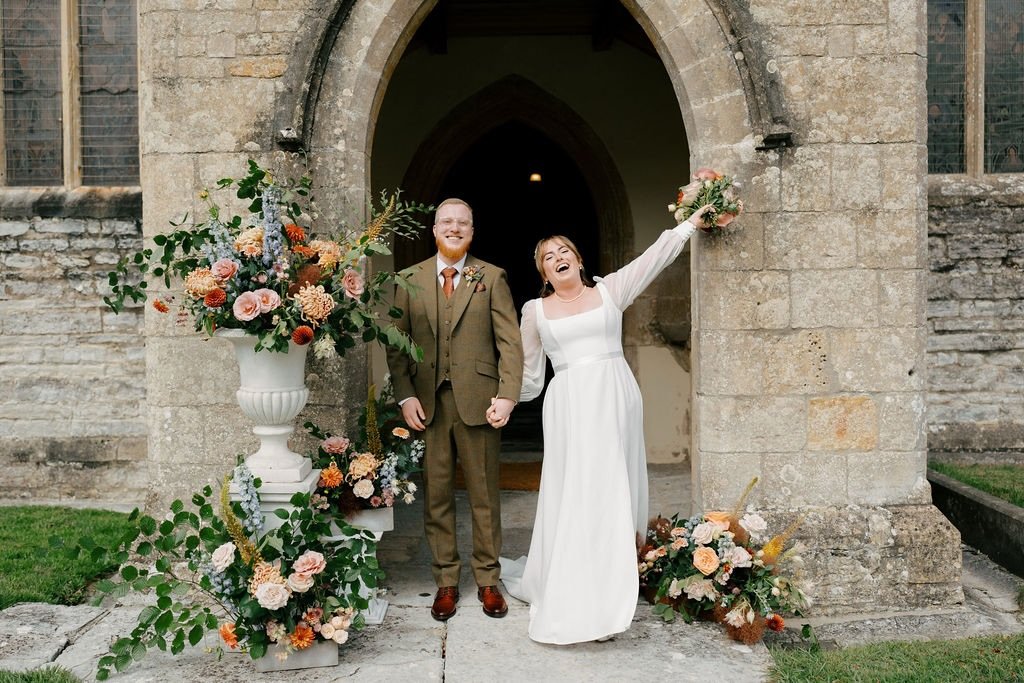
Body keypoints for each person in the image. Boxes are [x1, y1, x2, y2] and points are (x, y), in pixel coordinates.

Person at [492, 205, 712, 644]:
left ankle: (612, 582)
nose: (558, 256)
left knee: (615, 488)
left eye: (564, 249)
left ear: (578, 259)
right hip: (570, 404)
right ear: (543, 272)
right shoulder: (535, 311)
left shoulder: (610, 291)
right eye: (548, 255)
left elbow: (653, 257)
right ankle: (578, 589)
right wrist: (505, 401)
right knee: (578, 490)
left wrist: (690, 225)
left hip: (615, 396)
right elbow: (529, 372)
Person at [386, 198, 524, 621]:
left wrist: (507, 394)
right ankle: (446, 581)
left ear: (471, 231)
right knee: (437, 495)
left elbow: (510, 343)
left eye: (462, 222)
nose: (454, 228)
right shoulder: (407, 279)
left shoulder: (493, 277)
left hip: (479, 401)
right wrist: (405, 395)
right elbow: (395, 342)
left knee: (484, 496)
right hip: (427, 404)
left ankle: (487, 580)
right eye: (446, 221)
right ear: (434, 229)